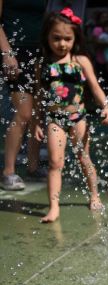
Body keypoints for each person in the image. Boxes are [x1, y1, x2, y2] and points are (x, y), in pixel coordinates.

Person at [33, 8, 108, 223]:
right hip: (54, 120)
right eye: (56, 38)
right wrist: (38, 122)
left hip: (78, 118)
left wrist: (105, 106)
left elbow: (95, 88)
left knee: (84, 157)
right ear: (47, 37)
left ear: (75, 38)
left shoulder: (80, 61)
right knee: (54, 162)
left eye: (67, 39)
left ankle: (94, 195)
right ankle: (53, 206)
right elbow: (39, 96)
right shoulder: (43, 65)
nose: (62, 44)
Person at [1, 0, 47, 190]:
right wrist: (6, 53)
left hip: (39, 48)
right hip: (14, 50)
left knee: (39, 110)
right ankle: (8, 172)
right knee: (24, 112)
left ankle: (33, 165)